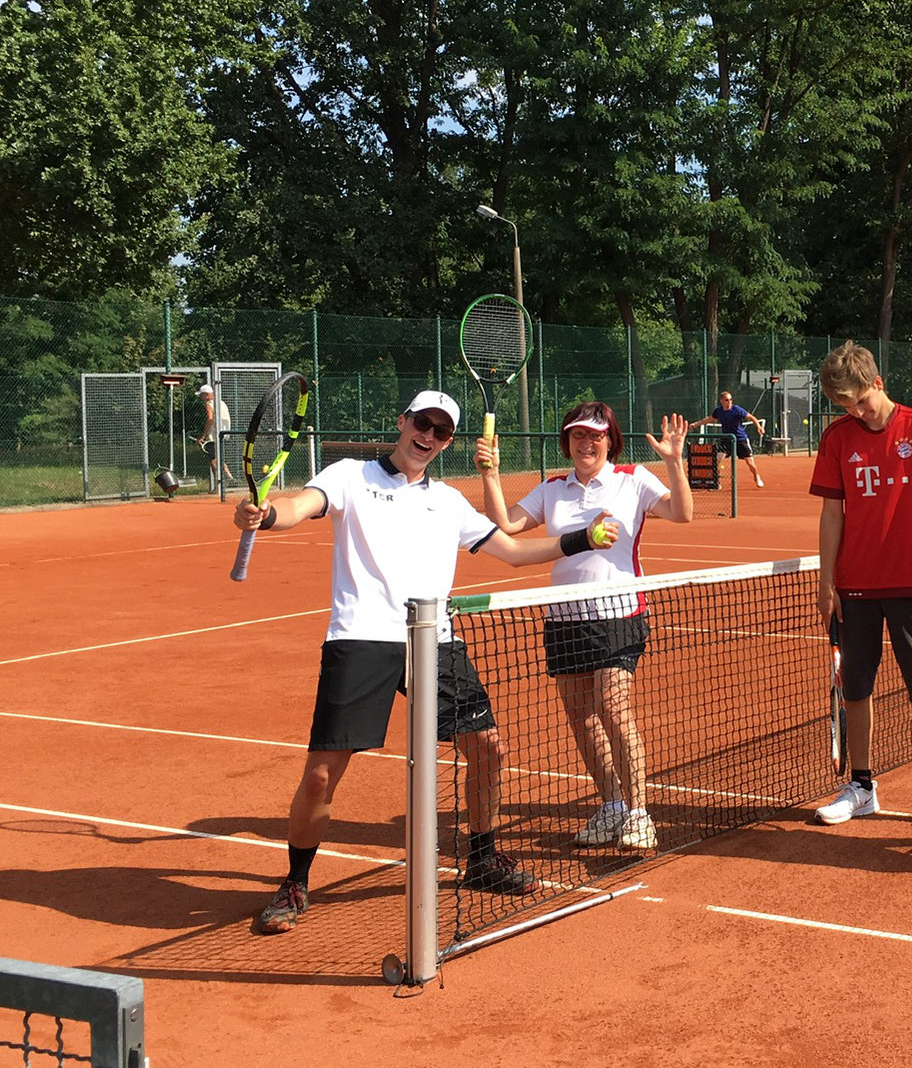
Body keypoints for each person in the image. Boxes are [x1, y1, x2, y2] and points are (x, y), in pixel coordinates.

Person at [237, 391, 622, 935]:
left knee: (487, 748)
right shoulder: (351, 475)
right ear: (403, 422)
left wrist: (581, 538)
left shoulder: (449, 502)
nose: (430, 437)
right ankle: (297, 881)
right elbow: (303, 505)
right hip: (362, 638)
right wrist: (270, 514)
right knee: (323, 776)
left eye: (442, 432)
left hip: (433, 639)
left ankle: (482, 857)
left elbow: (512, 552)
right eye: (423, 424)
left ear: (446, 443)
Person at [475, 402, 693, 850]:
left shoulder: (633, 479)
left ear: (610, 439)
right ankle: (612, 805)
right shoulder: (552, 488)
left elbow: (681, 512)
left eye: (595, 436)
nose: (586, 443)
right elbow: (507, 525)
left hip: (619, 615)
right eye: (578, 435)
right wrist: (490, 475)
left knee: (613, 709)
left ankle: (638, 813)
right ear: (568, 441)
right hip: (563, 618)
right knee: (582, 718)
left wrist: (674, 464)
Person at [809, 342, 912, 833]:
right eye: (845, 406)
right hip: (854, 588)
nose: (855, 412)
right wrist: (826, 583)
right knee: (856, 689)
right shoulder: (838, 438)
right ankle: (862, 788)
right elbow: (831, 514)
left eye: (860, 401)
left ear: (878, 384)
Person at [692, 390, 767, 489]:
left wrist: (759, 427)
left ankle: (756, 476)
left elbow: (751, 417)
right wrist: (696, 424)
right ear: (722, 401)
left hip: (741, 439)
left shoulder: (737, 409)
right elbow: (709, 419)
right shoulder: (718, 411)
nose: (729, 402)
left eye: (731, 400)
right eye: (727, 400)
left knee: (750, 463)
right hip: (727, 440)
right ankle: (716, 482)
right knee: (716, 460)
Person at [195, 382, 232, 488]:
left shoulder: (209, 404)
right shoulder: (221, 403)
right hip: (224, 435)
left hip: (214, 436)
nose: (201, 397)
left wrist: (203, 436)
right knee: (219, 458)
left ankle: (220, 485)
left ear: (206, 394)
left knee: (213, 460)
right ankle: (230, 478)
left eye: (202, 395)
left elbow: (210, 419)